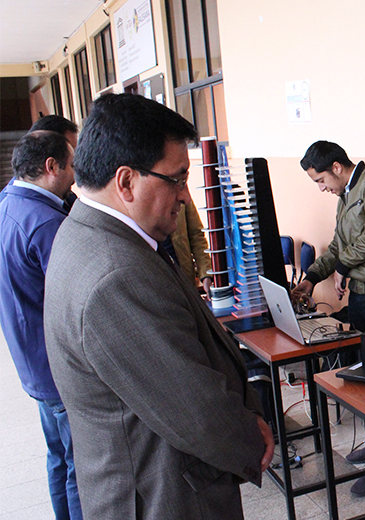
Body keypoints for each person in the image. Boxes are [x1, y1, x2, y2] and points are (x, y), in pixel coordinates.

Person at [43, 93, 274, 520]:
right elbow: (195, 410)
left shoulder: (92, 235)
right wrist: (250, 437)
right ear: (126, 182)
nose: (185, 197)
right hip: (163, 496)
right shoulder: (115, 276)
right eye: (176, 179)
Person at [291, 140, 365, 497]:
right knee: (364, 378)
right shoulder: (346, 195)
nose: (322, 188)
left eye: (320, 180)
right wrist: (312, 278)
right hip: (362, 295)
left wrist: (343, 267)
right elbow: (338, 245)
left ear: (337, 167)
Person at [0, 130, 82, 519]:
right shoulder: (45, 223)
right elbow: (75, 297)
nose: (75, 174)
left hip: (31, 362)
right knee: (81, 466)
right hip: (56, 367)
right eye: (71, 164)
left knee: (59, 457)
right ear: (51, 167)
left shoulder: (8, 204)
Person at [161, 204, 214, 300]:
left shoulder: (180, 193)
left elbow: (196, 236)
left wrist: (206, 275)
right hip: (158, 282)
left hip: (185, 278)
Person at [28, 115, 79, 211]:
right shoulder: (44, 218)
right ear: (51, 165)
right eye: (69, 151)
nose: (74, 178)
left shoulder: (64, 194)